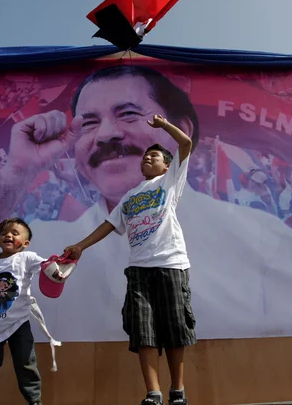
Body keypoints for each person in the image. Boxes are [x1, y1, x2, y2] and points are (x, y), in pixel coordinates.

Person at [0, 65, 292, 348]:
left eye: (127, 114)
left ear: (180, 132)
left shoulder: (265, 241)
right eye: (88, 123)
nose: (105, 135)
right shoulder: (36, 248)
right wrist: (14, 176)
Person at [63, 115, 195, 405]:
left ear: (167, 165)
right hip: (138, 271)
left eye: (155, 156)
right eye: (146, 156)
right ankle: (153, 393)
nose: (148, 158)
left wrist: (163, 127)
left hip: (171, 265)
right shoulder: (129, 196)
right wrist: (81, 246)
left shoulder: (170, 182)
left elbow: (185, 143)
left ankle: (178, 391)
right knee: (143, 331)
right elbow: (109, 225)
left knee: (175, 329)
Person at [0, 217, 46, 405]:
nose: (9, 235)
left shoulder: (27, 258)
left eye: (15, 233)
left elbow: (48, 268)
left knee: (26, 365)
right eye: (5, 233)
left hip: (18, 325)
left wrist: (60, 269)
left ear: (26, 243)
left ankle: (35, 402)